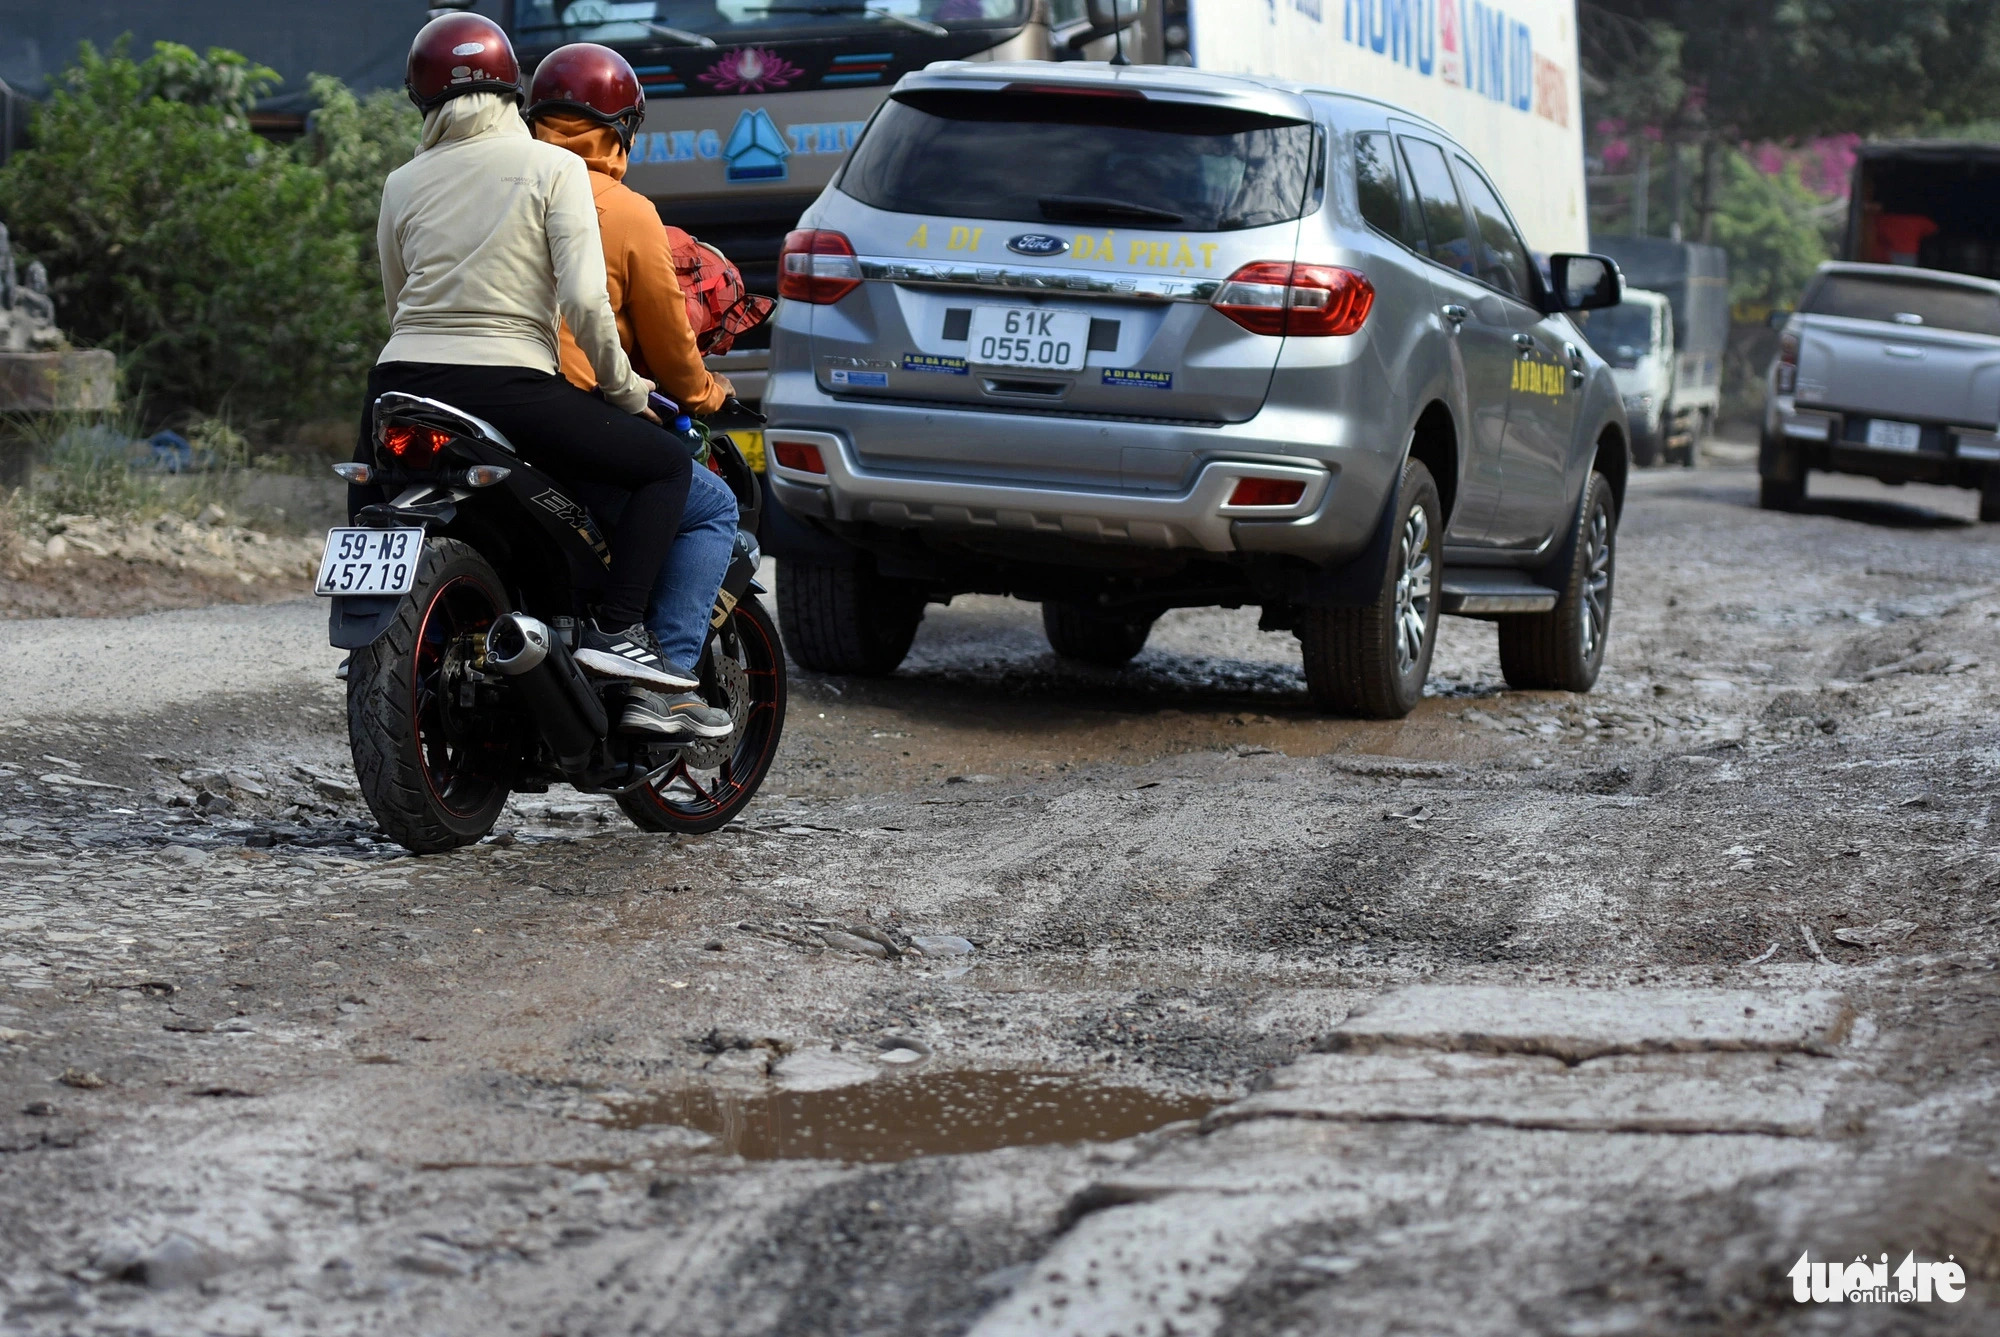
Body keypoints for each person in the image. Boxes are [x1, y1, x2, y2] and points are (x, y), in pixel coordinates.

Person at [359, 11, 695, 692]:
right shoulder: (552, 168)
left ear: (421, 101)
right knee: (663, 467)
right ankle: (621, 632)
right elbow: (583, 303)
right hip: (508, 385)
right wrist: (629, 394)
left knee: (375, 502)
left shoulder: (401, 182)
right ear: (513, 89)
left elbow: (396, 305)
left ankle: (373, 635)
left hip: (397, 382)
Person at [524, 43, 742, 740]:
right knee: (712, 505)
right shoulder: (624, 208)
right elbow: (672, 352)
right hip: (567, 410)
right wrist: (709, 395)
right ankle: (664, 680)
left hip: (471, 390)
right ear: (620, 131)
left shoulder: (499, 186)